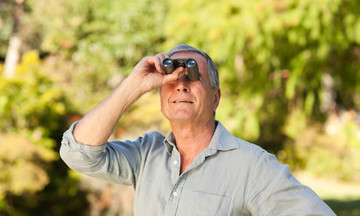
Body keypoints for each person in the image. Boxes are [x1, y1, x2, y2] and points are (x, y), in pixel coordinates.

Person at [60, 44, 335, 215]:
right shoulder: (145, 156)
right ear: (160, 98)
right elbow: (78, 153)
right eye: (171, 79)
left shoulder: (252, 166)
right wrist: (134, 84)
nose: (181, 85)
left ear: (215, 98)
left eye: (193, 76)